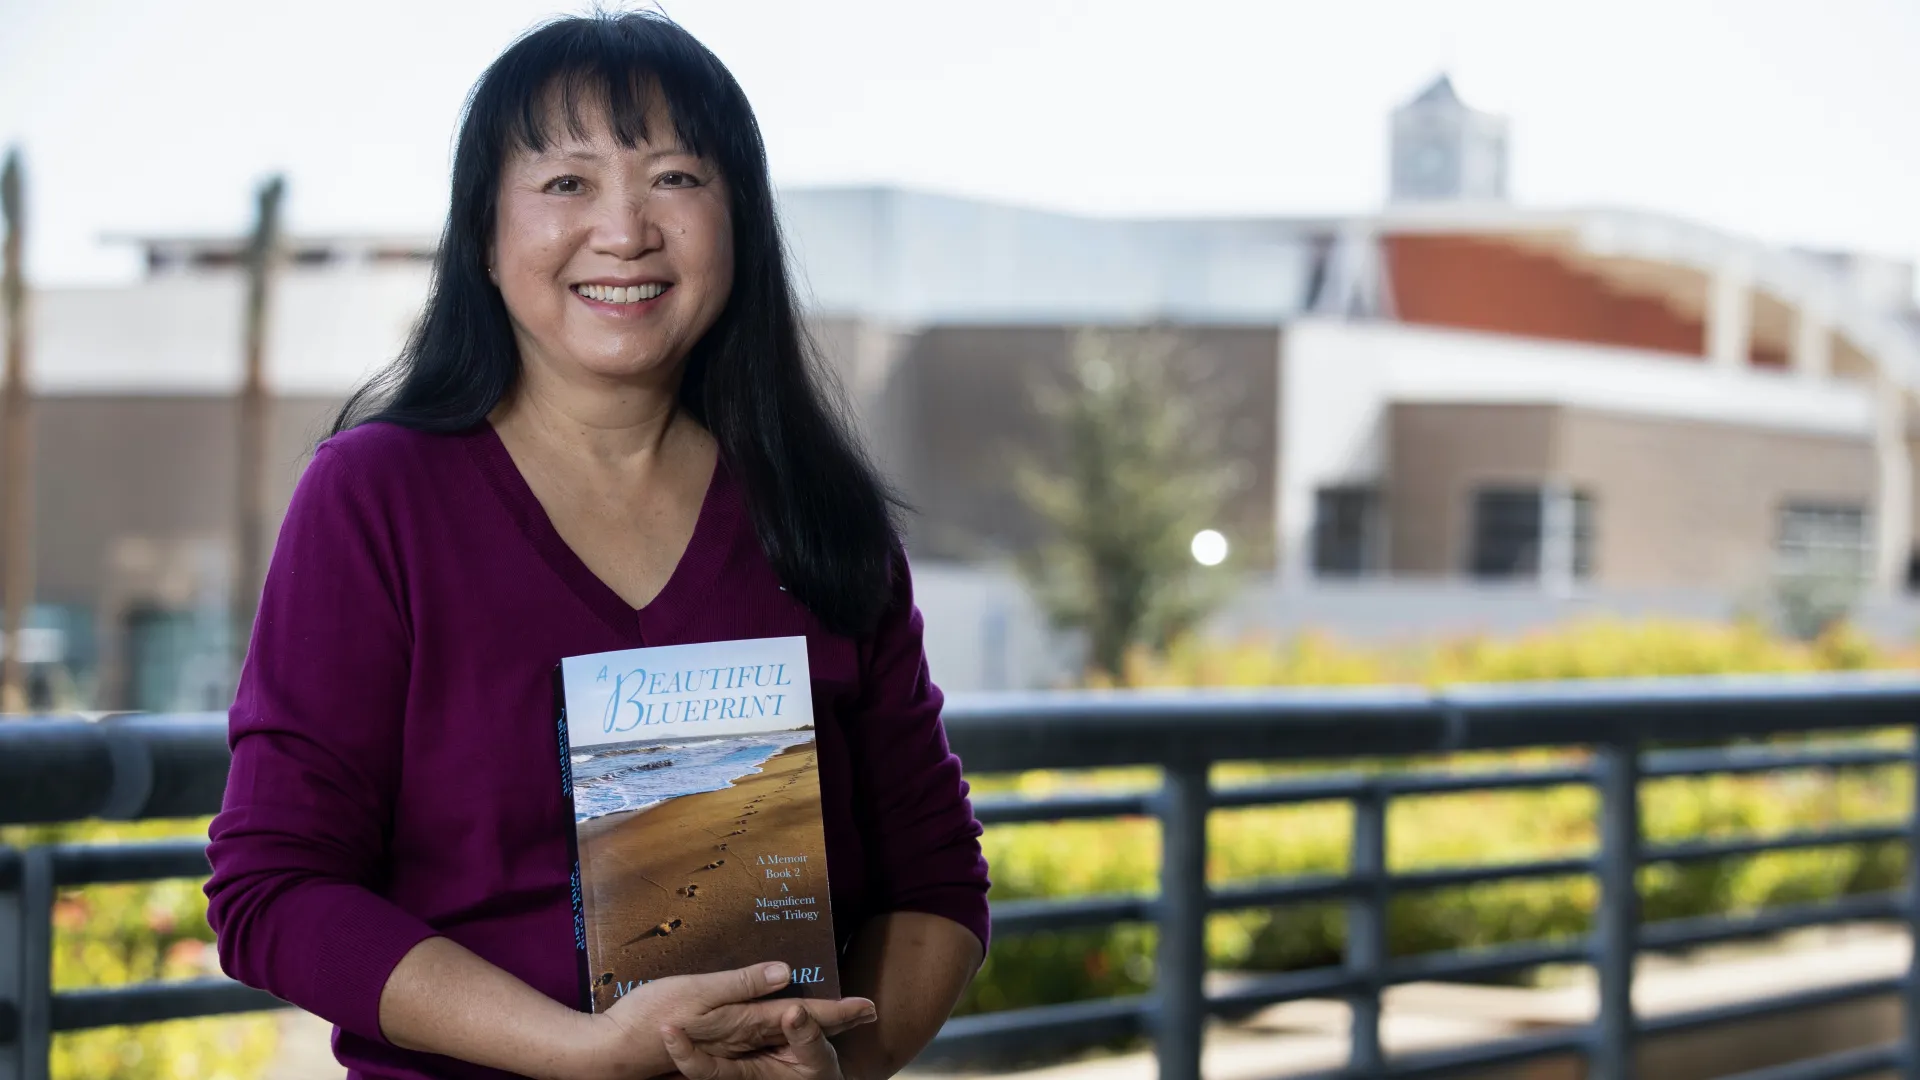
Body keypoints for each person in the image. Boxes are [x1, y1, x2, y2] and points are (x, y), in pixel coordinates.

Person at [203, 12, 990, 1080]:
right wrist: (580, 1053)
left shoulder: (817, 513)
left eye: (675, 177)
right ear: (484, 233)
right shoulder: (373, 499)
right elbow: (275, 893)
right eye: (566, 183)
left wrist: (843, 1069)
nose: (625, 231)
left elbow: (936, 882)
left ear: (741, 224)